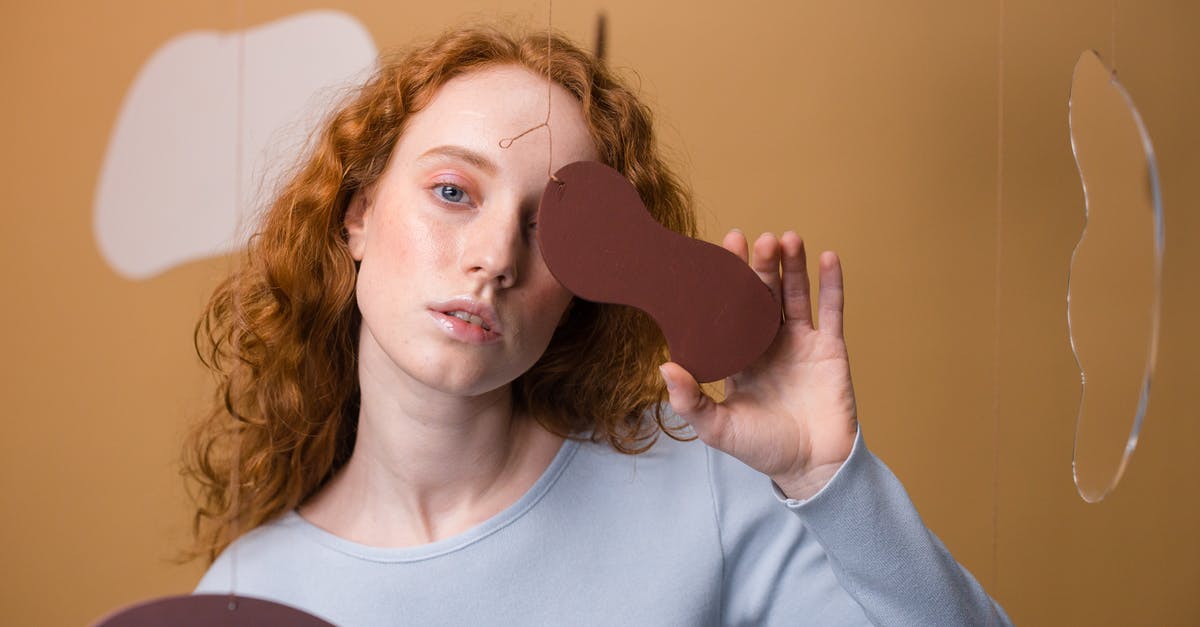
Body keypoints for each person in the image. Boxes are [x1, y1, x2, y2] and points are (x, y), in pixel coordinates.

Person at [186, 26, 1010, 626]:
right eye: (453, 192)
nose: (495, 256)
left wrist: (830, 482)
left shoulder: (702, 485)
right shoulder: (250, 593)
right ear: (357, 215)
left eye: (551, 228)